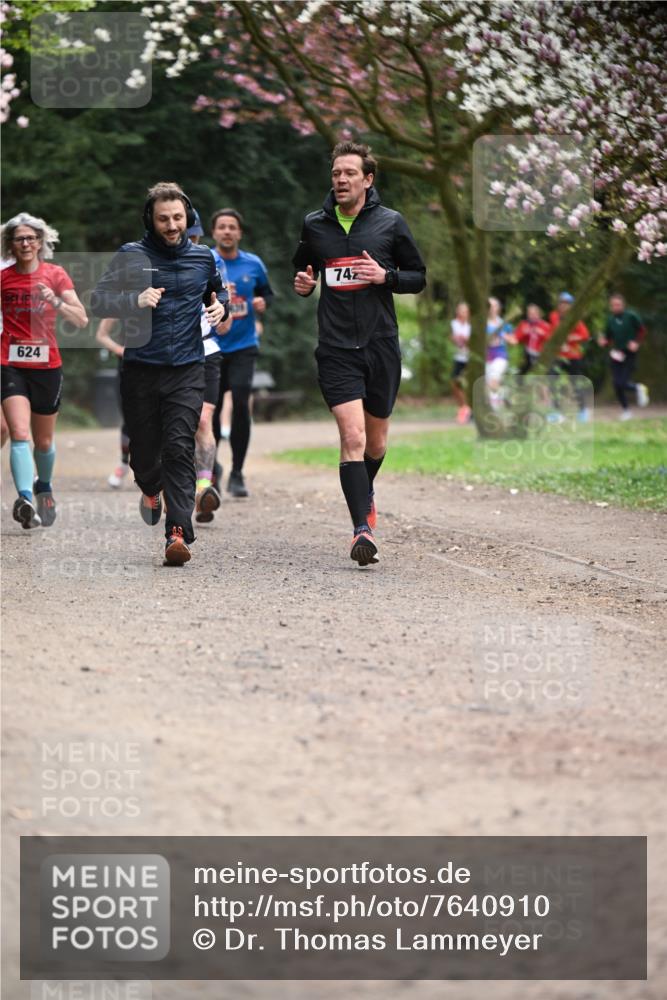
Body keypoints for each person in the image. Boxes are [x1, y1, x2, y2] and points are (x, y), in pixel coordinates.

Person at [293, 140, 426, 566]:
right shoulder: (315, 225)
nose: (341, 179)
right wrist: (304, 285)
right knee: (353, 438)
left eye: (350, 173)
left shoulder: (390, 223)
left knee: (376, 442)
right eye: (336, 173)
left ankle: (363, 493)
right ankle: (361, 531)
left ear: (368, 179)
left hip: (380, 344)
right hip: (335, 348)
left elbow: (418, 276)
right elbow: (304, 269)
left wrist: (386, 276)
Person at [91, 182, 228, 565]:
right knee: (144, 456)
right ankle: (151, 489)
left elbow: (218, 293)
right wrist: (133, 300)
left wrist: (221, 308)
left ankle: (177, 532)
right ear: (150, 219)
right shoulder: (130, 255)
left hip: (187, 369)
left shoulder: (202, 257)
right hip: (141, 369)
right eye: (163, 218)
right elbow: (98, 301)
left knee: (179, 447)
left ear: (188, 218)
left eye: (178, 218)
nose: (171, 225)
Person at [1, 212, 88, 528]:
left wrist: (56, 302)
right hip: (10, 364)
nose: (25, 243)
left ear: (40, 242)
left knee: (44, 442)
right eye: (19, 239)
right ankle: (25, 499)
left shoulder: (55, 274)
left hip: (47, 366)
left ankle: (44, 487)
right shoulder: (4, 278)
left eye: (30, 238)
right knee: (19, 433)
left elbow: (81, 319)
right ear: (11, 245)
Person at [207, 207, 273, 499]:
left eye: (232, 226)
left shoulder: (253, 264)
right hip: (212, 346)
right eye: (222, 226)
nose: (227, 231)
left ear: (240, 233)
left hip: (244, 346)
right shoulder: (205, 261)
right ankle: (212, 469)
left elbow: (266, 295)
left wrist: (261, 304)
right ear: (214, 232)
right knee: (211, 409)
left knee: (242, 402)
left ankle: (237, 472)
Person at [597, 292, 649, 420]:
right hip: (616, 354)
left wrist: (636, 342)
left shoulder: (631, 316)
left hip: (629, 353)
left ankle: (638, 388)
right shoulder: (610, 320)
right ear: (610, 306)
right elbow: (608, 338)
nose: (616, 307)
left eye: (618, 305)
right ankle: (626, 411)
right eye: (613, 305)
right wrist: (603, 342)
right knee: (616, 384)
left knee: (622, 382)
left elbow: (642, 330)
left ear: (623, 305)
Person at [546, 292, 591, 422]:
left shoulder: (575, 319)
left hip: (573, 356)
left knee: (575, 383)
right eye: (561, 303)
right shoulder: (553, 316)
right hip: (558, 356)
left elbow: (585, 335)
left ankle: (583, 411)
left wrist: (570, 338)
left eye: (566, 304)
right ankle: (556, 412)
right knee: (551, 379)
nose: (563, 306)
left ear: (571, 306)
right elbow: (550, 333)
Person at [485, 296, 516, 410]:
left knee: (493, 381)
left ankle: (495, 409)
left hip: (500, 355)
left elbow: (514, 341)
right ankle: (505, 395)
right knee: (489, 384)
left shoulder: (504, 324)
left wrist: (503, 335)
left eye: (494, 306)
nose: (491, 308)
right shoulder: (482, 323)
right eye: (489, 306)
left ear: (498, 308)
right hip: (487, 357)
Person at [514, 303, 551, 377]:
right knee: (521, 371)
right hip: (528, 352)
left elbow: (551, 340)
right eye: (530, 314)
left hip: (540, 353)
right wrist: (524, 332)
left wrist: (542, 333)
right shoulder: (524, 324)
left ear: (539, 314)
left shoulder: (545, 325)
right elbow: (517, 338)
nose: (532, 316)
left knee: (542, 372)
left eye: (534, 314)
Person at [450, 302, 472, 424]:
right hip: (459, 358)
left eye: (465, 311)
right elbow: (451, 338)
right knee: (455, 383)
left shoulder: (471, 326)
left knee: (467, 384)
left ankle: (468, 409)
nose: (462, 313)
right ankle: (463, 407)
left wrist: (467, 340)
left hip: (470, 358)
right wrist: (455, 339)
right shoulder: (453, 324)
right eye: (460, 310)